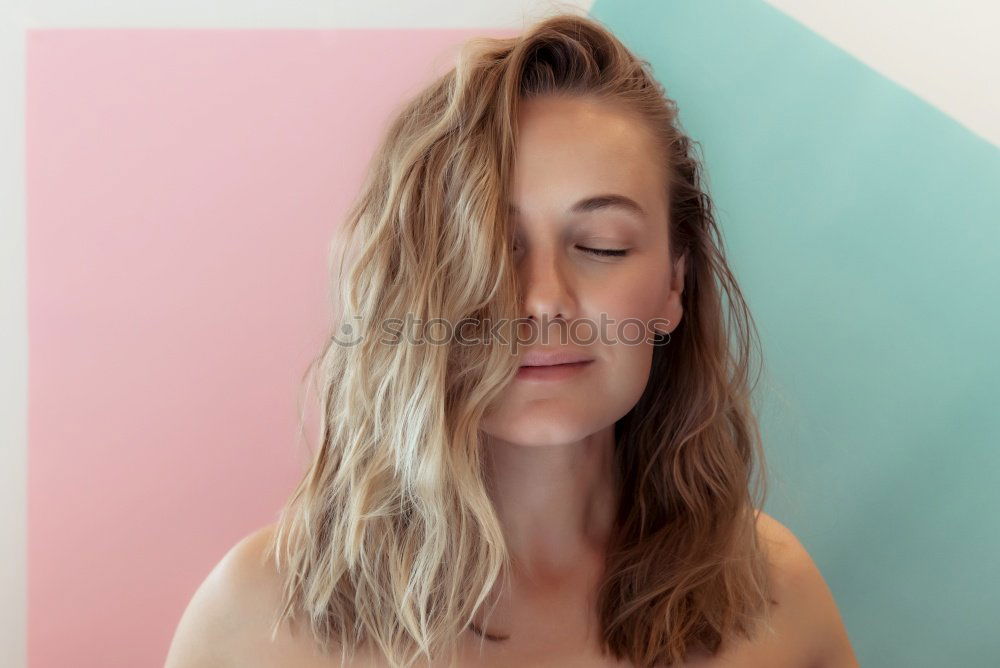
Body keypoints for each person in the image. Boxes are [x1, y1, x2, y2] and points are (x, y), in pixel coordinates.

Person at [165, 12, 858, 668]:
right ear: (417, 282)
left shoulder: (776, 598)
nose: (543, 299)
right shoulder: (257, 619)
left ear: (675, 285)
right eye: (493, 248)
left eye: (601, 245)